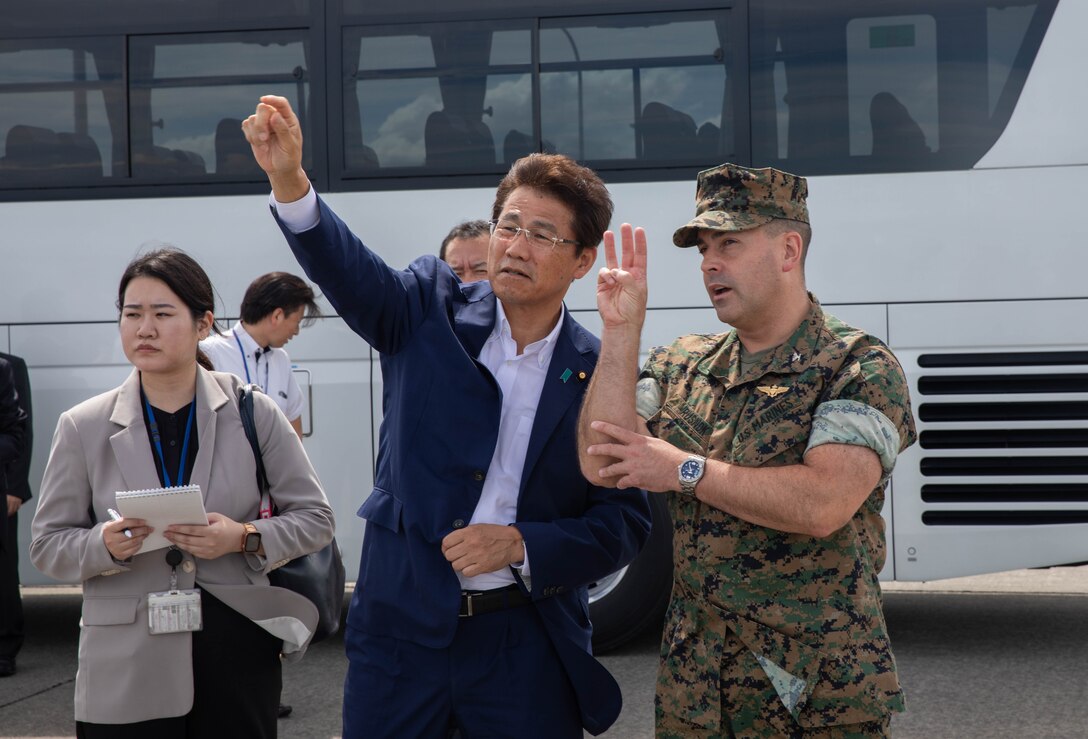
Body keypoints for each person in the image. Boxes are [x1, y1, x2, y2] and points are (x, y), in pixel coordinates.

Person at [242, 95, 651, 738]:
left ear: (582, 261)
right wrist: (290, 182)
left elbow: (624, 522)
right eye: (509, 226)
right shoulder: (428, 306)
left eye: (542, 234)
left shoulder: (600, 369)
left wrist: (522, 544)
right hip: (402, 634)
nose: (516, 246)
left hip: (526, 645)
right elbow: (352, 274)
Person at [577, 163, 917, 737]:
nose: (709, 262)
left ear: (788, 251)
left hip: (813, 695)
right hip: (696, 690)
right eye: (704, 248)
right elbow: (601, 461)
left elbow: (823, 503)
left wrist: (682, 469)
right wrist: (620, 330)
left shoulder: (856, 366)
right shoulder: (683, 362)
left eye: (729, 243)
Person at [30, 248, 335, 737]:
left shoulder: (253, 413)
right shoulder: (82, 426)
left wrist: (243, 537)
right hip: (124, 662)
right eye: (132, 314)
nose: (144, 328)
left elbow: (316, 518)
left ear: (203, 325)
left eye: (162, 314)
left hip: (235, 649)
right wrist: (104, 543)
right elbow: (47, 545)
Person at [200, 271, 319, 439]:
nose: (296, 331)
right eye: (297, 322)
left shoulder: (280, 359)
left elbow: (293, 427)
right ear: (277, 315)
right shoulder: (211, 352)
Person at [0, 352, 31, 678]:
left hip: (4, 486)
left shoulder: (7, 367)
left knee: (4, 573)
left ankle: (5, 650)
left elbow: (21, 432)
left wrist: (16, 488)